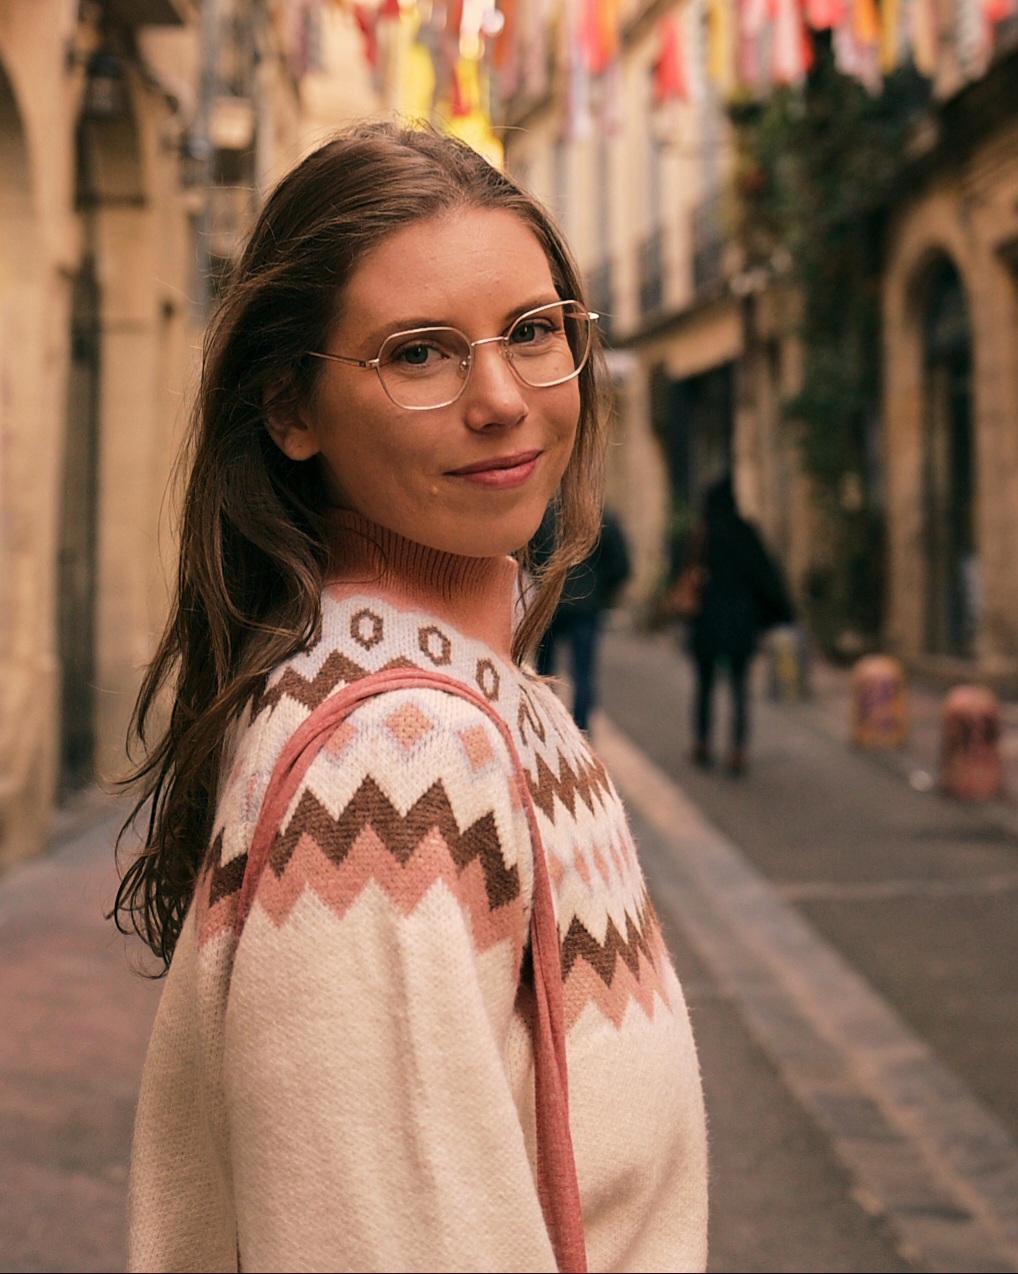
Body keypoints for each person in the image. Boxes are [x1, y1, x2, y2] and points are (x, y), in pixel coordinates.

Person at [113, 121, 708, 1273]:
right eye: (419, 352)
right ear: (288, 409)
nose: (502, 398)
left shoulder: (482, 697)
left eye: (532, 330)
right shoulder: (396, 757)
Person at [683, 475, 793, 776]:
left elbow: (685, 569)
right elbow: (765, 576)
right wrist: (780, 614)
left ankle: (702, 743)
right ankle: (737, 750)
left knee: (704, 685)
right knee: (739, 687)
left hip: (706, 622)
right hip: (740, 623)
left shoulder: (702, 534)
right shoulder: (745, 533)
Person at [534, 506, 631, 733]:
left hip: (551, 605)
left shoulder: (545, 515)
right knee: (583, 674)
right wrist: (601, 593)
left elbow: (530, 558)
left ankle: (543, 729)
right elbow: (621, 565)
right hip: (586, 607)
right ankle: (581, 733)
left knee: (544, 673)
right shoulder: (601, 518)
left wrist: (540, 585)